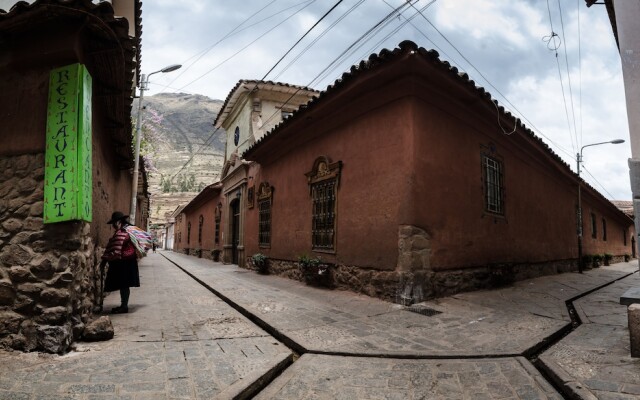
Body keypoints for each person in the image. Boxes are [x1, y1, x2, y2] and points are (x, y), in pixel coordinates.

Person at [100, 211, 140, 314]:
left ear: (118, 222)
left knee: (124, 284)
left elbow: (116, 250)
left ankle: (124, 306)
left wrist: (105, 259)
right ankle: (123, 305)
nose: (113, 225)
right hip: (126, 261)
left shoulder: (122, 233)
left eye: (114, 223)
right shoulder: (123, 231)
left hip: (125, 262)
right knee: (124, 284)